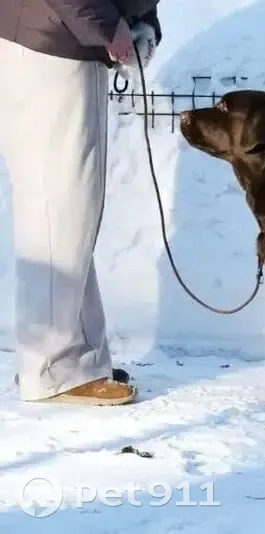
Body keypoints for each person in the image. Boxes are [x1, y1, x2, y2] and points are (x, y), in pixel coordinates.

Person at [0, 1, 162, 405]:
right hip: (54, 44)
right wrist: (109, 27)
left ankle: (76, 360)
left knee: (68, 210)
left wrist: (141, 21)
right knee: (59, 205)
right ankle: (55, 367)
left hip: (57, 39)